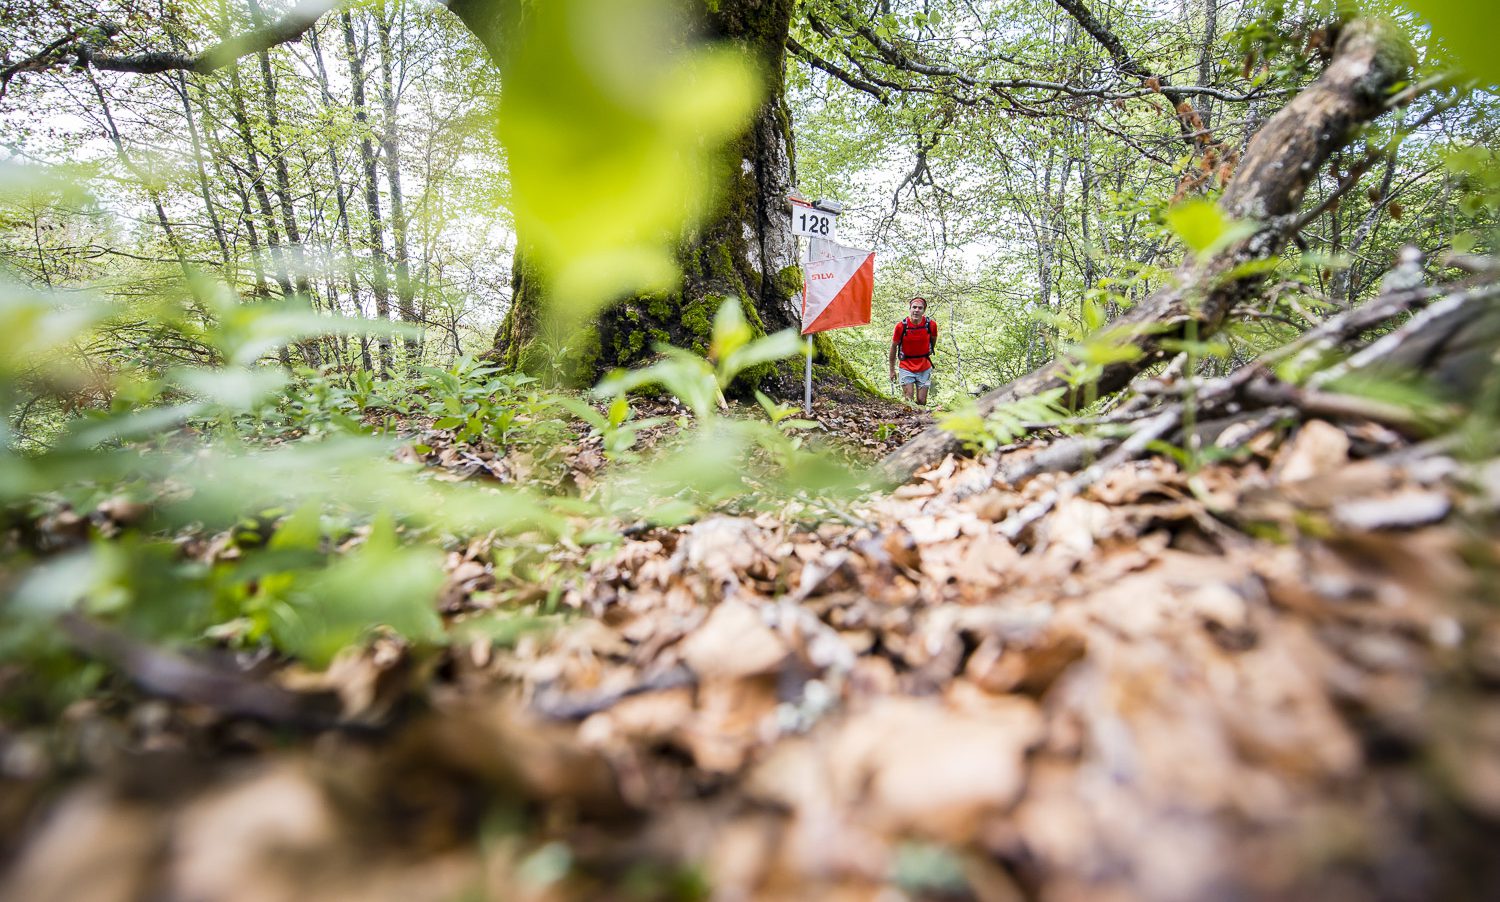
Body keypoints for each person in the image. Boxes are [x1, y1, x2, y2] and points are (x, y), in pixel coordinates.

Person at [889, 296, 937, 406]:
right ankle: (908, 421)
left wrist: (928, 350)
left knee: (921, 401)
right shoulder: (901, 326)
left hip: (924, 366)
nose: (916, 310)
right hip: (906, 366)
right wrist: (892, 370)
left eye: (920, 308)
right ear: (910, 309)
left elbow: (933, 340)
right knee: (908, 399)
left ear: (924, 310)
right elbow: (893, 347)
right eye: (914, 307)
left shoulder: (931, 325)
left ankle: (920, 422)